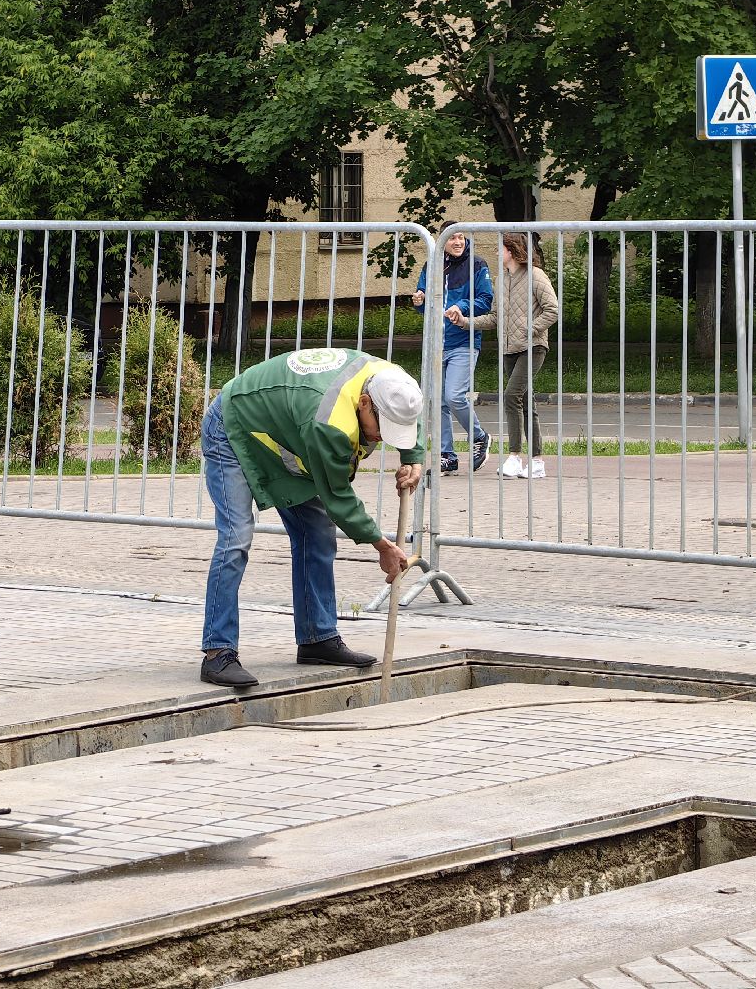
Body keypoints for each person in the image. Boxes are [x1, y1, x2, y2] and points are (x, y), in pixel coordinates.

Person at [200, 348, 424, 688]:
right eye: (383, 429)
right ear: (365, 403)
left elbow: (407, 417)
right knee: (236, 539)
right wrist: (382, 545)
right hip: (233, 426)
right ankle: (218, 652)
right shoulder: (329, 421)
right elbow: (338, 497)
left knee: (317, 532)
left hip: (285, 427)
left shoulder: (393, 381)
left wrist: (412, 456)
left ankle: (318, 638)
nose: (382, 438)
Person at [453, 233, 559, 479]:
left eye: (500, 248)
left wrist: (530, 328)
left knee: (511, 396)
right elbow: (494, 318)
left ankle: (514, 456)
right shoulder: (501, 280)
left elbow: (552, 309)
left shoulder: (535, 275)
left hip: (533, 346)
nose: (497, 252)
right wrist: (466, 322)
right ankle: (536, 462)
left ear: (512, 250)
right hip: (509, 349)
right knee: (526, 403)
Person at [413, 228, 493, 476]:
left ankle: (479, 436)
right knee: (438, 402)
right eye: (452, 238)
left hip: (463, 342)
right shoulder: (432, 264)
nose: (458, 242)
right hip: (437, 343)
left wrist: (462, 306)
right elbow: (425, 302)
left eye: (461, 237)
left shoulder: (477, 264)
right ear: (442, 241)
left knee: (454, 396)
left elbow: (486, 300)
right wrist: (420, 301)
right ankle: (447, 456)